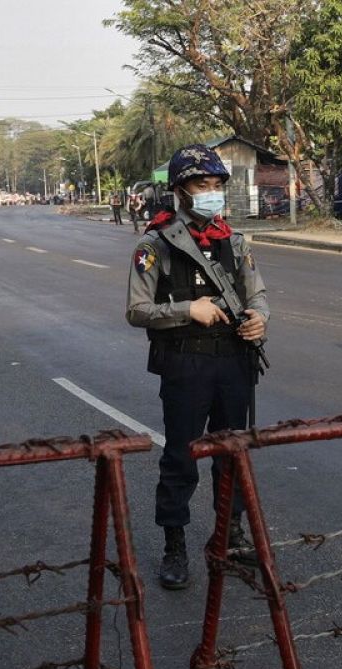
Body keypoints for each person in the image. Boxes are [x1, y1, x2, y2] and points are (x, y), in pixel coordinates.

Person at [126, 145, 268, 590]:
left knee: (233, 453)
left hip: (234, 362)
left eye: (216, 186)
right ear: (180, 191)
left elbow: (257, 293)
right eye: (201, 186)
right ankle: (175, 544)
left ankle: (231, 534)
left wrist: (260, 319)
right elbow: (137, 310)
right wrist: (189, 310)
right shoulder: (156, 244)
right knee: (181, 457)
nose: (211, 194)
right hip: (185, 363)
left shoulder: (234, 240)